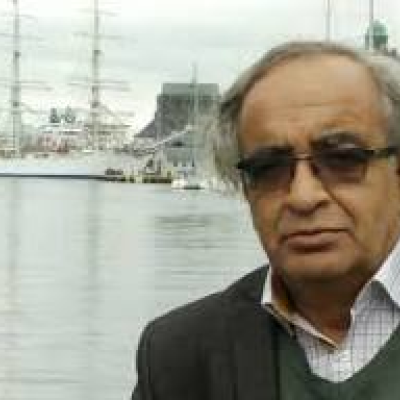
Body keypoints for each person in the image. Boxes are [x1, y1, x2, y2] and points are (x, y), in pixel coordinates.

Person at [131, 40, 400, 399]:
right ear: (245, 188)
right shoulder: (180, 357)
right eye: (269, 168)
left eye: (342, 159)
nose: (303, 196)